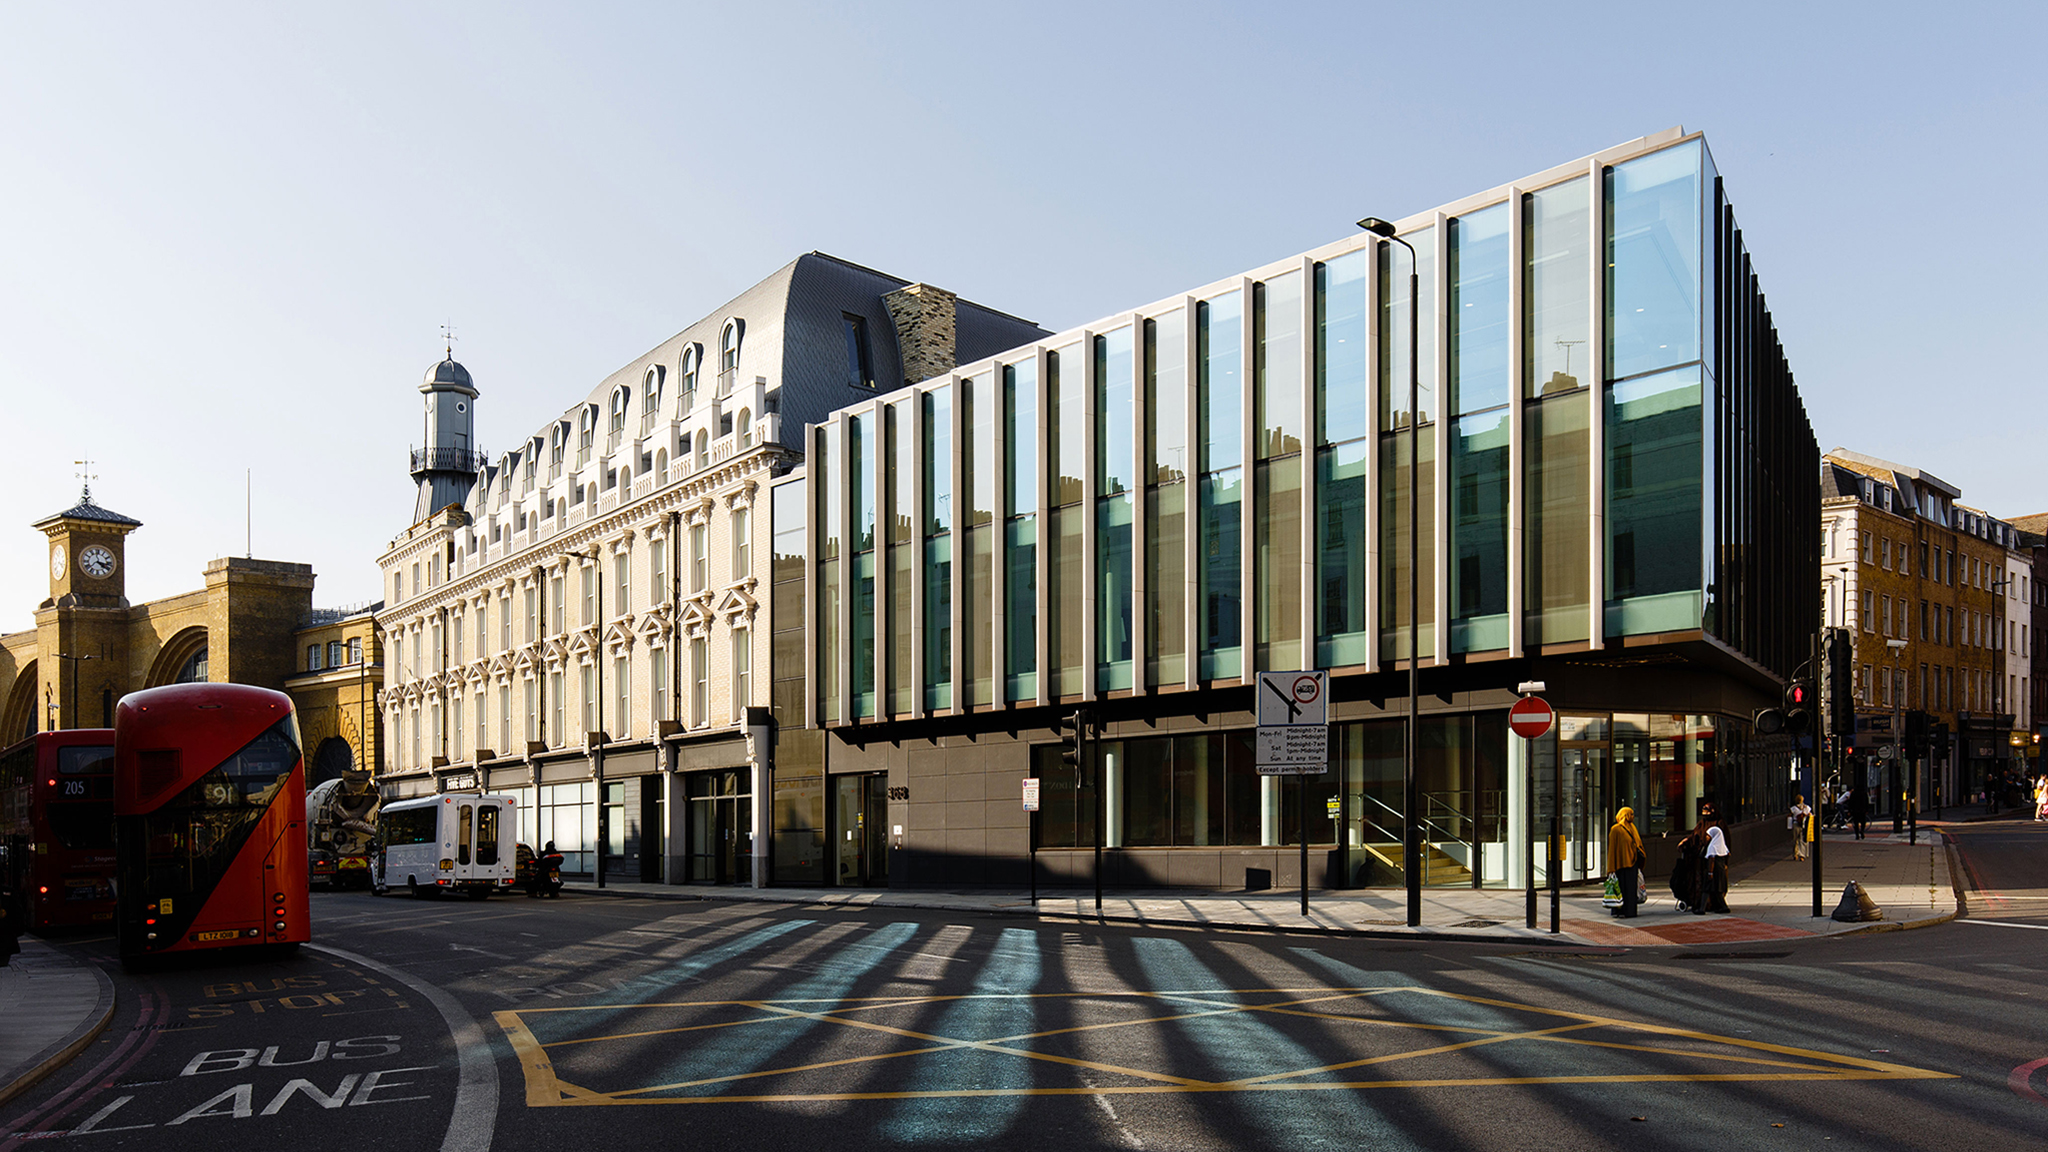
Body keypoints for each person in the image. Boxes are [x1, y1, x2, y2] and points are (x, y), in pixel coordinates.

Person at [1607, 807, 1644, 918]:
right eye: (1630, 814)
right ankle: (1619, 910)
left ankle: (1630, 911)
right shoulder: (1616, 829)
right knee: (1621, 889)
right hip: (1620, 864)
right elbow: (1612, 849)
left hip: (1632, 863)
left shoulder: (1633, 828)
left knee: (1631, 890)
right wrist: (1611, 868)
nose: (1632, 816)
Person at [1703, 812, 1731, 913]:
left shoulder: (1713, 846)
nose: (1707, 838)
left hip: (1714, 872)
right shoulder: (1722, 845)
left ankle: (1723, 907)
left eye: (1708, 835)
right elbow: (1727, 854)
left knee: (1712, 889)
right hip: (1721, 870)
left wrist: (1710, 872)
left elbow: (1712, 859)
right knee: (1717, 889)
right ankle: (1719, 907)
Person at [1789, 795, 1813, 861]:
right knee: (1803, 840)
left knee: (1795, 840)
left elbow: (1790, 816)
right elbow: (1810, 815)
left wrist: (1789, 826)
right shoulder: (1807, 808)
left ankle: (1795, 854)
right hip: (1804, 825)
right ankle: (1802, 855)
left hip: (1796, 824)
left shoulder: (1793, 808)